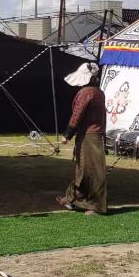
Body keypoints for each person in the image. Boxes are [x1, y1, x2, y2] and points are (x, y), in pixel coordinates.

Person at [57, 67, 107, 214]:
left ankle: (95, 206)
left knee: (90, 172)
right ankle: (71, 199)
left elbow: (77, 114)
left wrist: (67, 134)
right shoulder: (99, 92)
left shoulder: (86, 93)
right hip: (96, 135)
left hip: (88, 136)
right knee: (84, 170)